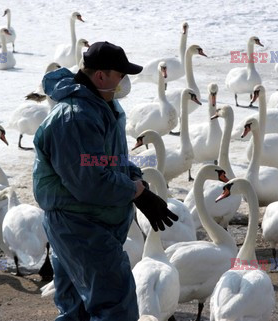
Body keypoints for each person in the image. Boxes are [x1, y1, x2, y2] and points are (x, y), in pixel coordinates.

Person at [33, 41, 179, 321]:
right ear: (101, 75)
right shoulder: (75, 118)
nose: (124, 82)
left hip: (90, 223)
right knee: (115, 307)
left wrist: (137, 180)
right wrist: (137, 193)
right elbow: (90, 181)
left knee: (78, 311)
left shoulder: (100, 108)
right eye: (120, 75)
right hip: (80, 226)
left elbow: (110, 159)